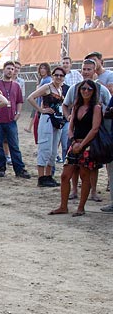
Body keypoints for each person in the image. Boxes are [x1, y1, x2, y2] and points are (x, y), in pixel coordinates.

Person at [49, 80, 102, 217]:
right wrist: (73, 142)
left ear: (93, 91)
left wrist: (82, 144)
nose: (86, 91)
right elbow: (71, 126)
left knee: (85, 176)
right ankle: (63, 206)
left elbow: (95, 128)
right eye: (83, 88)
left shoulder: (96, 107)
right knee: (65, 175)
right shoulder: (76, 106)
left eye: (89, 89)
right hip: (75, 144)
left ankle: (81, 207)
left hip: (87, 145)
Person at [27, 65, 66, 187]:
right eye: (56, 75)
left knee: (53, 150)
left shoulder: (60, 89)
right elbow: (30, 97)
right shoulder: (47, 87)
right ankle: (41, 177)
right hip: (47, 120)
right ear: (53, 76)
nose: (58, 77)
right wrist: (41, 110)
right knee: (45, 147)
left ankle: (48, 176)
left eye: (61, 75)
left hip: (57, 121)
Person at [0, 61, 31, 178]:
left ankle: (19, 169)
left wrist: (18, 113)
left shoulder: (16, 86)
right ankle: (1, 168)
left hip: (11, 120)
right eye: (8, 68)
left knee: (14, 145)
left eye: (12, 69)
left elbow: (19, 101)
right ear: (3, 70)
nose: (10, 71)